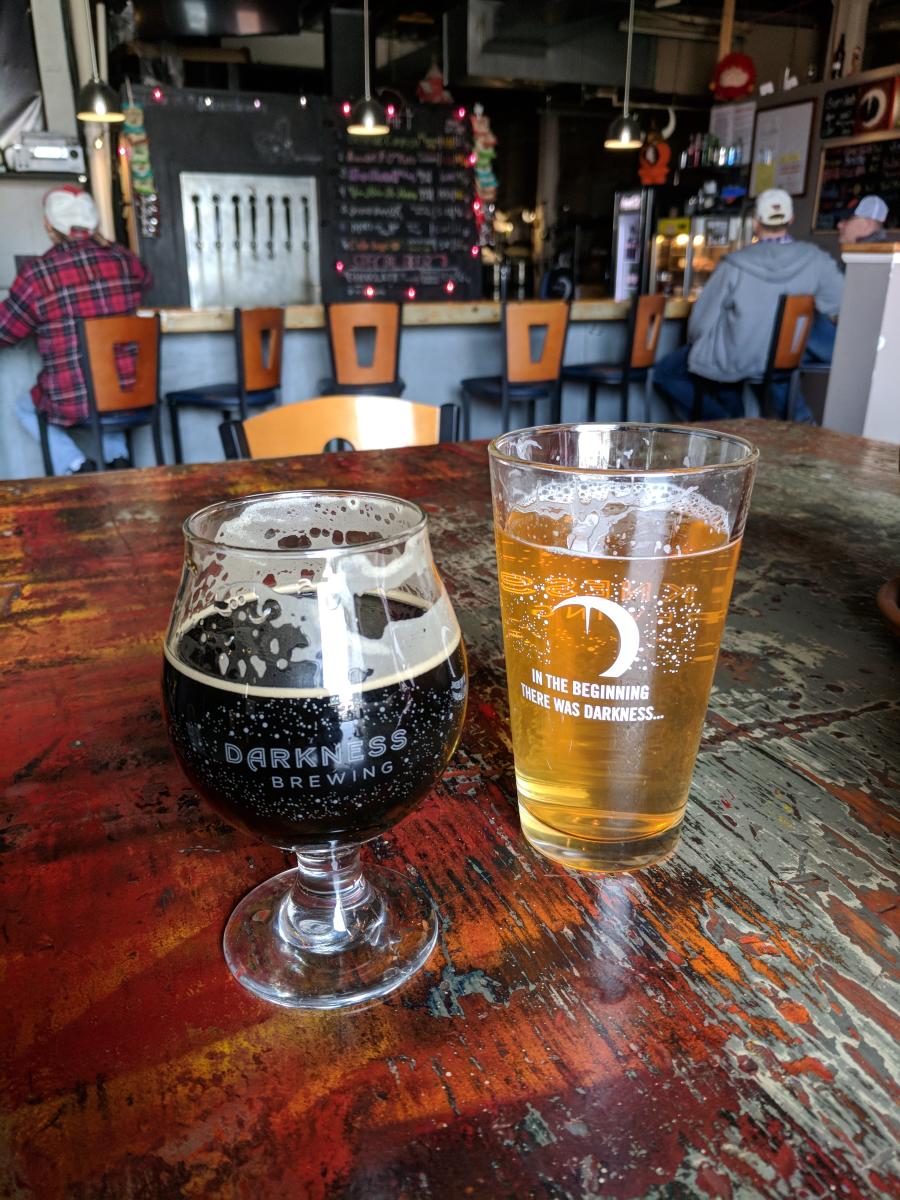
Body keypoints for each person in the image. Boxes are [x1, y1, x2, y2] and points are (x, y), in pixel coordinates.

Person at [653, 188, 844, 422]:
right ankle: (739, 424)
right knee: (776, 383)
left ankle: (728, 422)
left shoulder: (735, 263)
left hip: (736, 356)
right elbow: (838, 305)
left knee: (667, 372)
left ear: (756, 223)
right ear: (791, 220)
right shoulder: (817, 259)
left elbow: (701, 322)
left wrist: (696, 341)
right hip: (785, 359)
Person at [0, 186, 151, 474]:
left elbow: (5, 330)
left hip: (73, 398)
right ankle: (118, 456)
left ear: (49, 225)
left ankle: (77, 465)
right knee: (111, 381)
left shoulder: (38, 273)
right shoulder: (124, 259)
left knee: (25, 407)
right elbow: (146, 281)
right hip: (132, 392)